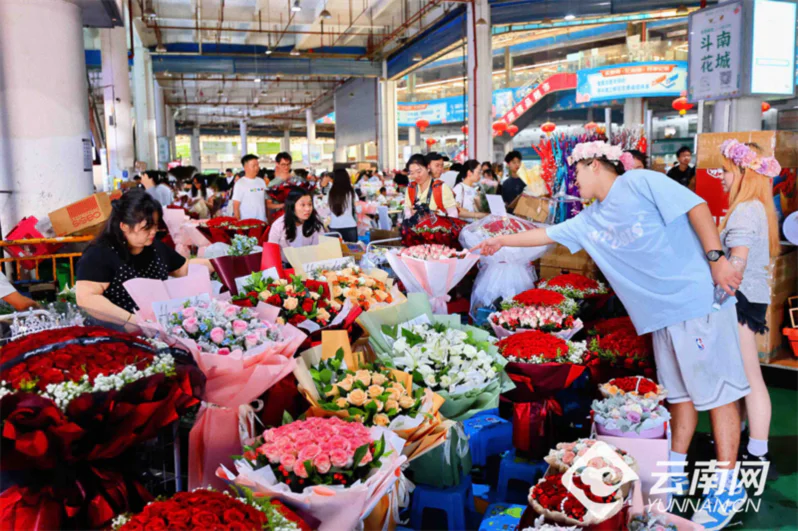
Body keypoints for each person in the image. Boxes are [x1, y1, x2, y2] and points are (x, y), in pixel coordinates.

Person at [474, 141, 750, 531]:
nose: (574, 182)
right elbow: (546, 234)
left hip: (695, 301)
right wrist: (500, 240)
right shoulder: (593, 218)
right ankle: (673, 476)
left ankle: (727, 486)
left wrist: (717, 260)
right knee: (680, 396)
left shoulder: (639, 182)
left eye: (577, 173)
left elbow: (697, 207)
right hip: (660, 317)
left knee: (718, 395)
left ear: (594, 164)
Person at [718, 140, 781, 480]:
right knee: (745, 376)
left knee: (750, 378)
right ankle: (747, 440)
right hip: (749, 298)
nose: (722, 179)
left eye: (726, 172)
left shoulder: (744, 210)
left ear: (743, 172)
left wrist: (719, 270)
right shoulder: (759, 207)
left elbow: (736, 263)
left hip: (739, 299)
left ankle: (757, 451)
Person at [75, 190, 213, 326]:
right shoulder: (99, 254)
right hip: (116, 333)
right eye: (146, 227)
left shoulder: (154, 247)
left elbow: (183, 268)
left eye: (155, 225)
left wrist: (219, 264)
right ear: (124, 226)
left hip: (156, 329)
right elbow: (86, 298)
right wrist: (131, 320)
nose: (153, 231)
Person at [267, 187, 325, 261]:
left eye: (310, 204)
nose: (307, 209)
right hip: (286, 266)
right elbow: (271, 252)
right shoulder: (278, 225)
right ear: (292, 206)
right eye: (303, 205)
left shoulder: (315, 222)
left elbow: (319, 248)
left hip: (310, 263)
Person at [403, 154, 458, 218]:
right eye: (412, 173)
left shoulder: (441, 188)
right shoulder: (411, 188)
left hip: (438, 227)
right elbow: (407, 210)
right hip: (416, 227)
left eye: (419, 171)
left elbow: (453, 214)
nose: (416, 176)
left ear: (428, 168)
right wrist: (410, 213)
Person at [328, 168, 360, 243]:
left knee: (336, 253)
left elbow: (327, 210)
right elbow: (359, 209)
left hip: (334, 226)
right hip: (350, 225)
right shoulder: (351, 192)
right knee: (352, 251)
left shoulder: (330, 192)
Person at [232, 154, 267, 221]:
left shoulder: (262, 182)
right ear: (245, 167)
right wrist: (238, 223)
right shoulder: (240, 184)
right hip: (247, 223)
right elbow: (236, 206)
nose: (257, 168)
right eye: (254, 166)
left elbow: (265, 202)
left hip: (262, 222)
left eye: (257, 165)